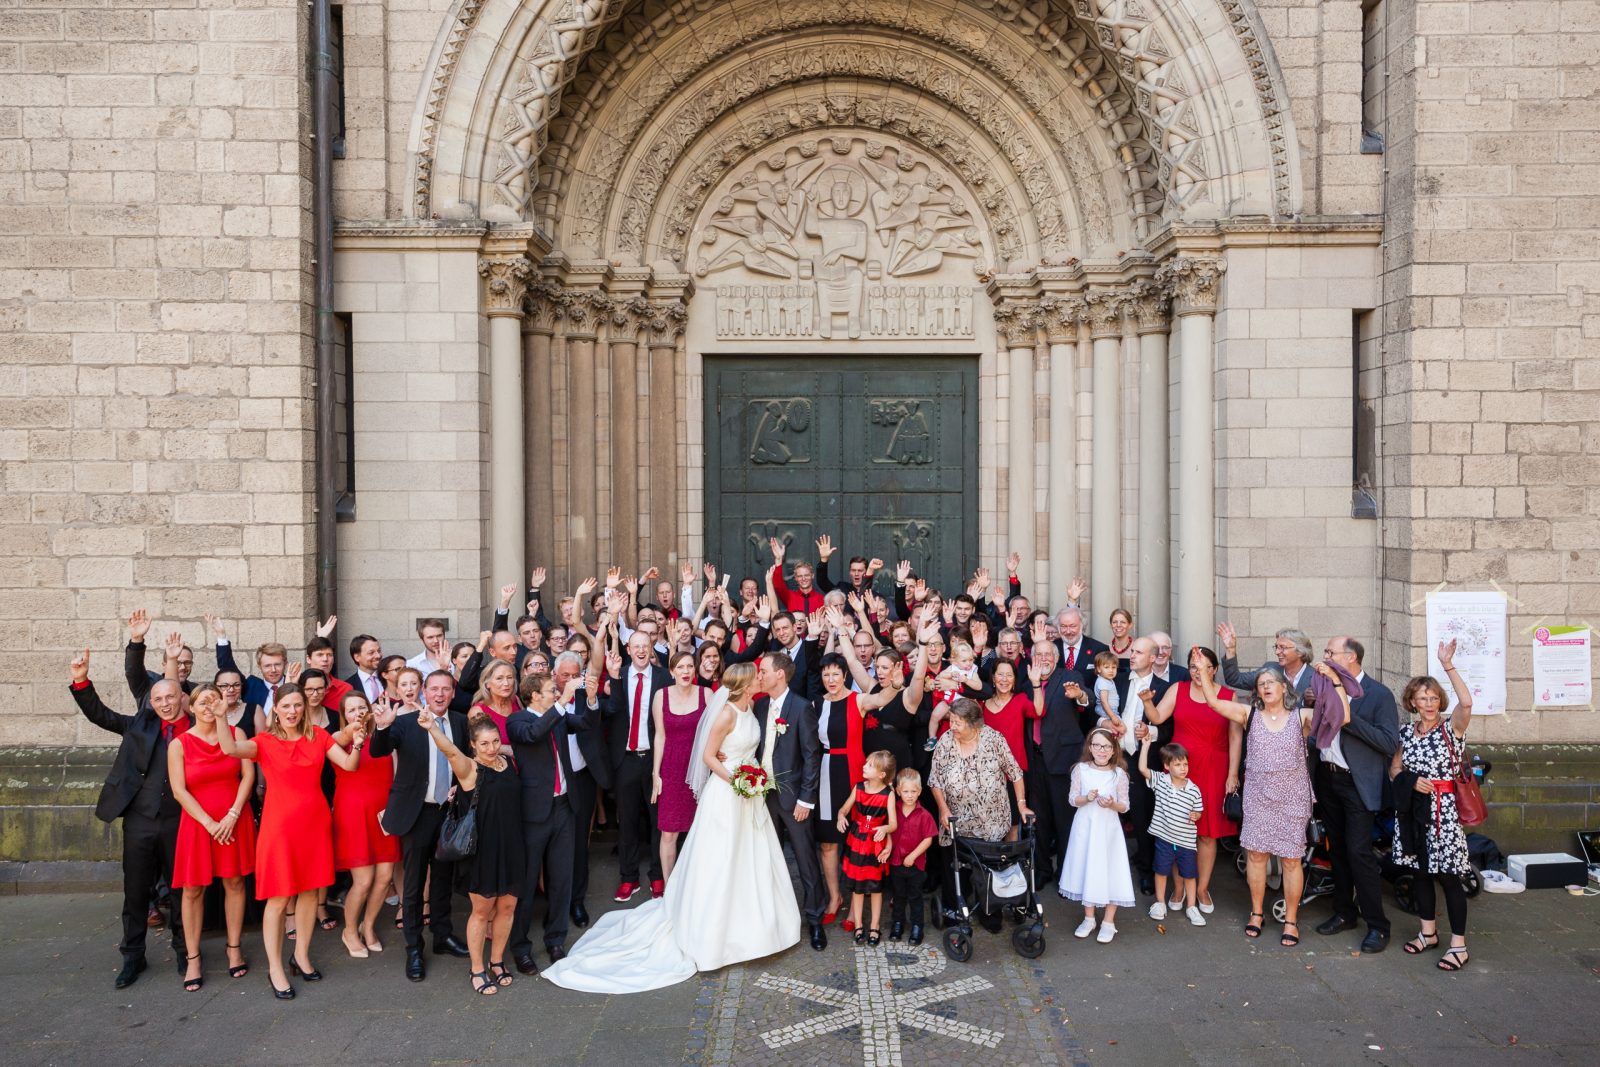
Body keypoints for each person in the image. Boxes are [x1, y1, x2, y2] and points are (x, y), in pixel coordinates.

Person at [542, 662, 802, 993]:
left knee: (753, 858)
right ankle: (715, 932)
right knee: (721, 859)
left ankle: (759, 927)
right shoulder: (724, 715)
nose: (761, 678)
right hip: (728, 792)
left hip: (749, 793)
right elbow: (709, 757)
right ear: (745, 684)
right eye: (756, 676)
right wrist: (738, 780)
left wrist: (753, 778)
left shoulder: (752, 706)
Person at [216, 683, 364, 999]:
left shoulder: (318, 737)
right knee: (280, 897)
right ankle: (275, 968)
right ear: (276, 710)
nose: (293, 711)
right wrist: (219, 718)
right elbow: (229, 749)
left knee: (311, 892)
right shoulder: (265, 742)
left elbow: (349, 765)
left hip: (315, 825)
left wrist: (359, 743)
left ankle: (302, 955)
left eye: (298, 705)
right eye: (287, 706)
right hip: (279, 829)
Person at [69, 645, 190, 989]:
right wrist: (81, 681)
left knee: (180, 889)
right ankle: (133, 955)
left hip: (179, 820)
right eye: (159, 699)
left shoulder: (197, 728)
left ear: (182, 697)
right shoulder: (140, 725)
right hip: (139, 820)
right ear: (151, 703)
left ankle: (184, 949)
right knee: (136, 891)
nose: (165, 703)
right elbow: (100, 716)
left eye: (171, 697)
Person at [1191, 661, 1335, 947]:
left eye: (1271, 682)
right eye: (1261, 683)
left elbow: (1337, 714)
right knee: (1255, 856)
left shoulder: (1301, 717)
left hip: (1292, 799)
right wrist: (1203, 672)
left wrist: (1333, 679)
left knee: (1291, 860)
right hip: (1258, 796)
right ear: (1257, 691)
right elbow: (1213, 702)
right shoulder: (1249, 714)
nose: (1266, 686)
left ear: (1284, 688)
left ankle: (1291, 920)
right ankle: (1256, 913)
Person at [368, 671, 473, 982]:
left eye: (446, 689)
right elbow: (378, 750)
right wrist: (383, 726)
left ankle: (442, 936)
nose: (439, 694)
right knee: (413, 885)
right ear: (424, 691)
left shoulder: (460, 721)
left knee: (443, 878)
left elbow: (464, 760)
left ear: (453, 693)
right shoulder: (403, 721)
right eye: (434, 689)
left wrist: (460, 787)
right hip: (417, 813)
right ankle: (414, 947)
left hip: (448, 812)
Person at [420, 708, 527, 995]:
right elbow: (450, 751)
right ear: (473, 746)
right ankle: (477, 968)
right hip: (484, 851)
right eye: (484, 744)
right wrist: (432, 727)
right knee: (482, 911)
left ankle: (497, 960)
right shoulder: (469, 768)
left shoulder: (506, 762)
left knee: (507, 907)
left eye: (494, 742)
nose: (491, 748)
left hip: (513, 845)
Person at [505, 668, 599, 972]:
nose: (557, 695)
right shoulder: (517, 720)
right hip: (534, 812)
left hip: (564, 807)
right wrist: (564, 700)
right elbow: (533, 735)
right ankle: (520, 946)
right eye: (551, 691)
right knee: (528, 880)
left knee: (562, 877)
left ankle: (556, 939)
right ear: (535, 695)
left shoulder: (557, 716)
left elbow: (585, 722)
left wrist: (592, 697)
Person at [1391, 641, 1476, 971]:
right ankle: (1427, 932)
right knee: (1420, 873)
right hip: (1414, 810)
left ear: (1440, 700)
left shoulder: (1451, 729)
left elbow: (1466, 702)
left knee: (1450, 877)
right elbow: (1395, 769)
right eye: (1421, 698)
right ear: (1412, 701)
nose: (1428, 703)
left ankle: (1459, 945)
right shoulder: (1406, 733)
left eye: (1433, 697)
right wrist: (1410, 781)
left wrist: (1447, 665)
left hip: (1443, 812)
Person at [167, 682, 256, 990]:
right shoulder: (179, 744)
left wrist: (232, 814)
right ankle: (193, 957)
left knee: (234, 882)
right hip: (198, 822)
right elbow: (179, 790)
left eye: (215, 700)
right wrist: (208, 822)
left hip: (234, 817)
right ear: (190, 708)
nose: (209, 706)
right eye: (202, 702)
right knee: (192, 889)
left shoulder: (236, 735)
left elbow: (248, 776)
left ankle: (234, 948)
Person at [1135, 642, 1235, 909]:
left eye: (1202, 666)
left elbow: (1235, 738)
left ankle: (1202, 889)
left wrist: (1233, 773)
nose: (1195, 671)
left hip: (1215, 768)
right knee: (1177, 829)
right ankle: (1178, 888)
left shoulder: (1228, 695)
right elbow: (1157, 718)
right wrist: (1147, 702)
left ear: (1213, 670)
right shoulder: (1178, 689)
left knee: (1206, 833)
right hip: (1180, 768)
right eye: (1192, 666)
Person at [1314, 636, 1398, 954]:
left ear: (1350, 658)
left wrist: (1349, 719)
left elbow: (1388, 742)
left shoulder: (1378, 695)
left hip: (1357, 783)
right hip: (1328, 778)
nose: (1325, 657)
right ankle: (1344, 913)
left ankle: (1378, 925)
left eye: (1330, 652)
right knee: (1335, 850)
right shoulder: (1325, 687)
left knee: (1359, 853)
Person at [928, 698, 1030, 933]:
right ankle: (956, 909)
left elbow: (1015, 773)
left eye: (957, 722)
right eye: (951, 720)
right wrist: (943, 808)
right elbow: (935, 780)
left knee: (989, 867)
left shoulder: (994, 739)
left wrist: (1022, 805)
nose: (952, 726)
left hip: (990, 820)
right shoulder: (946, 741)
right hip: (956, 820)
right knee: (956, 864)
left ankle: (989, 910)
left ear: (974, 724)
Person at [752, 651, 827, 951]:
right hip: (763, 795)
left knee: (806, 860)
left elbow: (812, 756)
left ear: (779, 674)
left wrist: (806, 800)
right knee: (768, 859)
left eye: (763, 671)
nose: (760, 676)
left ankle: (815, 921)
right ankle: (776, 920)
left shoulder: (800, 707)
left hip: (793, 798)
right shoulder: (759, 706)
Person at [331, 691, 399, 959]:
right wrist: (355, 736)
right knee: (363, 880)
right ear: (343, 715)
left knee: (384, 878)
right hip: (353, 815)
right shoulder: (339, 739)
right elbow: (346, 739)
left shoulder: (383, 739)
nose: (358, 712)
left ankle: (367, 926)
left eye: (362, 707)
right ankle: (349, 930)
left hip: (383, 815)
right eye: (351, 709)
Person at [605, 630, 669, 902]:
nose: (641, 650)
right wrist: (613, 678)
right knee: (627, 822)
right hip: (626, 759)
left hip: (656, 760)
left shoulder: (665, 677)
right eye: (636, 646)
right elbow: (611, 712)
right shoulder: (618, 676)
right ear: (628, 650)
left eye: (646, 645)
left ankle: (657, 875)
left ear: (651, 647)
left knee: (658, 821)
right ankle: (629, 878)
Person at [1058, 727, 1134, 943]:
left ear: (1113, 750)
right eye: (1097, 745)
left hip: (1108, 830)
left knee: (1110, 869)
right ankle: (1089, 918)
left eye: (1107, 746)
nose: (1102, 750)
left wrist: (1112, 804)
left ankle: (1109, 921)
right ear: (1090, 748)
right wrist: (1087, 797)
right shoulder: (1080, 769)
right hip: (1085, 827)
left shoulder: (1119, 774)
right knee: (1087, 867)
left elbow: (1125, 806)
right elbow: (1073, 799)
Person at [812, 652, 861, 925]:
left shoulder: (858, 700)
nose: (831, 679)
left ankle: (855, 904)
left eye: (836, 674)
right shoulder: (816, 703)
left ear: (845, 675)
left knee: (857, 844)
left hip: (853, 771)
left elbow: (883, 696)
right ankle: (834, 897)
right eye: (826, 674)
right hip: (825, 772)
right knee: (829, 842)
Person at [651, 651, 708, 881]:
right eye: (680, 667)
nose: (686, 671)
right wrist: (656, 773)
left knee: (702, 831)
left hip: (700, 768)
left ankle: (699, 887)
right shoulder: (660, 696)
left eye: (689, 667)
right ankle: (669, 888)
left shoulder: (707, 694)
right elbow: (660, 737)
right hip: (671, 769)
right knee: (668, 833)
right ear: (672, 671)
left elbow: (716, 731)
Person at [1137, 737, 1205, 927]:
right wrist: (1146, 746)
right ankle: (1160, 903)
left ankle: (1192, 906)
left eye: (1185, 764)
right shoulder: (1161, 781)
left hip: (1186, 842)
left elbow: (1199, 810)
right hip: (1164, 839)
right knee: (1160, 871)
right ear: (1167, 766)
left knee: (1190, 875)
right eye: (1178, 764)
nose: (1183, 768)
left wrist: (1196, 815)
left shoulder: (1194, 790)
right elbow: (1143, 769)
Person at [837, 750, 897, 946]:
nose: (864, 767)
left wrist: (884, 828)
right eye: (866, 763)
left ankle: (875, 925)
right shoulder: (859, 788)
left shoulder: (888, 795)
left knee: (875, 887)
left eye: (869, 765)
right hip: (856, 841)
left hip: (875, 844)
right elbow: (844, 808)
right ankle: (858, 925)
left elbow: (894, 823)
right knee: (857, 887)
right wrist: (841, 816)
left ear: (881, 775)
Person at [888, 768, 936, 945]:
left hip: (916, 865)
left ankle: (917, 926)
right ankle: (898, 923)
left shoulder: (924, 815)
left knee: (915, 896)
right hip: (896, 862)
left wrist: (913, 855)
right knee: (898, 895)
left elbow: (928, 839)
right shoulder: (893, 810)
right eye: (905, 791)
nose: (909, 795)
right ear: (899, 791)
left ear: (920, 791)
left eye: (913, 791)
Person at [1218, 622, 1315, 704]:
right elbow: (1234, 679)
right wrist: (1230, 649)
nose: (1277, 652)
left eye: (1282, 647)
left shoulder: (1317, 677)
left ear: (1300, 652)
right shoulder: (1269, 669)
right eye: (1276, 647)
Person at [472, 659, 520, 742]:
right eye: (499, 678)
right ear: (487, 684)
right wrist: (509, 750)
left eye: (509, 677)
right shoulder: (478, 711)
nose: (506, 683)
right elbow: (478, 745)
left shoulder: (515, 700)